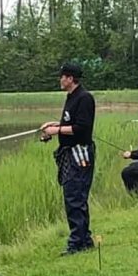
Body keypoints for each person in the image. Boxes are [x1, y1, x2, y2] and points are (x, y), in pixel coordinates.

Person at [40, 62, 96, 256]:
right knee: (72, 196)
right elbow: (70, 123)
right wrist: (53, 127)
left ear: (71, 78)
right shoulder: (71, 97)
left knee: (75, 197)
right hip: (69, 152)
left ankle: (77, 243)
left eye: (63, 76)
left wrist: (56, 130)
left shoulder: (85, 98)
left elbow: (82, 128)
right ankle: (84, 240)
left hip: (80, 153)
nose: (60, 79)